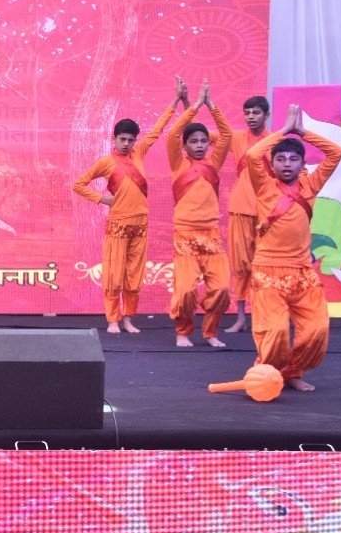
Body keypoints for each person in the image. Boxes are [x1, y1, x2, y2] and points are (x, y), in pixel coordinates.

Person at [243, 104, 341, 391]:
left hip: (302, 273)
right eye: (280, 159)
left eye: (293, 159)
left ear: (302, 165)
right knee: (274, 332)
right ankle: (266, 375)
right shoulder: (264, 187)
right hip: (268, 273)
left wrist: (303, 132)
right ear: (272, 165)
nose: (287, 164)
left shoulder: (310, 186)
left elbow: (336, 153)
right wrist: (284, 131)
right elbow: (252, 155)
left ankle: (292, 372)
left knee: (316, 329)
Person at [71, 79, 184, 333]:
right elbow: (79, 184)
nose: (126, 144)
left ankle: (128, 319)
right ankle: (113, 319)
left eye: (130, 140)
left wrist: (176, 101)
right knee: (114, 274)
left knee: (134, 275)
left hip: (140, 224)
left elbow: (157, 130)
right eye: (122, 139)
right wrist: (102, 199)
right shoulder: (106, 162)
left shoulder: (139, 153)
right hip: (118, 225)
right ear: (114, 138)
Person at [166, 80, 233, 347]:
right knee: (185, 291)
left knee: (221, 289)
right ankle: (183, 332)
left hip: (211, 236)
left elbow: (226, 135)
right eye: (194, 141)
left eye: (204, 141)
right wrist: (194, 106)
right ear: (185, 146)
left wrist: (211, 105)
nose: (201, 145)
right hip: (185, 236)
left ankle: (211, 332)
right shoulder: (178, 164)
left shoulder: (214, 162)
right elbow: (173, 134)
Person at [225, 94, 272, 334]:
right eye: (247, 113)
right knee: (240, 265)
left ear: (267, 115)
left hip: (268, 213)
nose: (251, 117)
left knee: (266, 265)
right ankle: (241, 317)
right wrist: (196, 104)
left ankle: (265, 316)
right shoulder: (236, 138)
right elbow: (201, 134)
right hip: (240, 209)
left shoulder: (275, 141)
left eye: (256, 113)